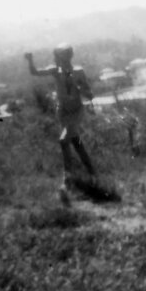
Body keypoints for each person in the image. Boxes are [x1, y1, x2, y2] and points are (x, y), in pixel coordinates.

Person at [25, 43, 98, 190]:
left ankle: (68, 177)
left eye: (61, 56)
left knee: (64, 140)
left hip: (76, 111)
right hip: (63, 111)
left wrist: (83, 91)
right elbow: (35, 72)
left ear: (68, 56)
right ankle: (92, 172)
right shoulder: (55, 71)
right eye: (57, 56)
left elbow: (88, 92)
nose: (58, 59)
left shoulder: (78, 71)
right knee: (76, 142)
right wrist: (30, 60)